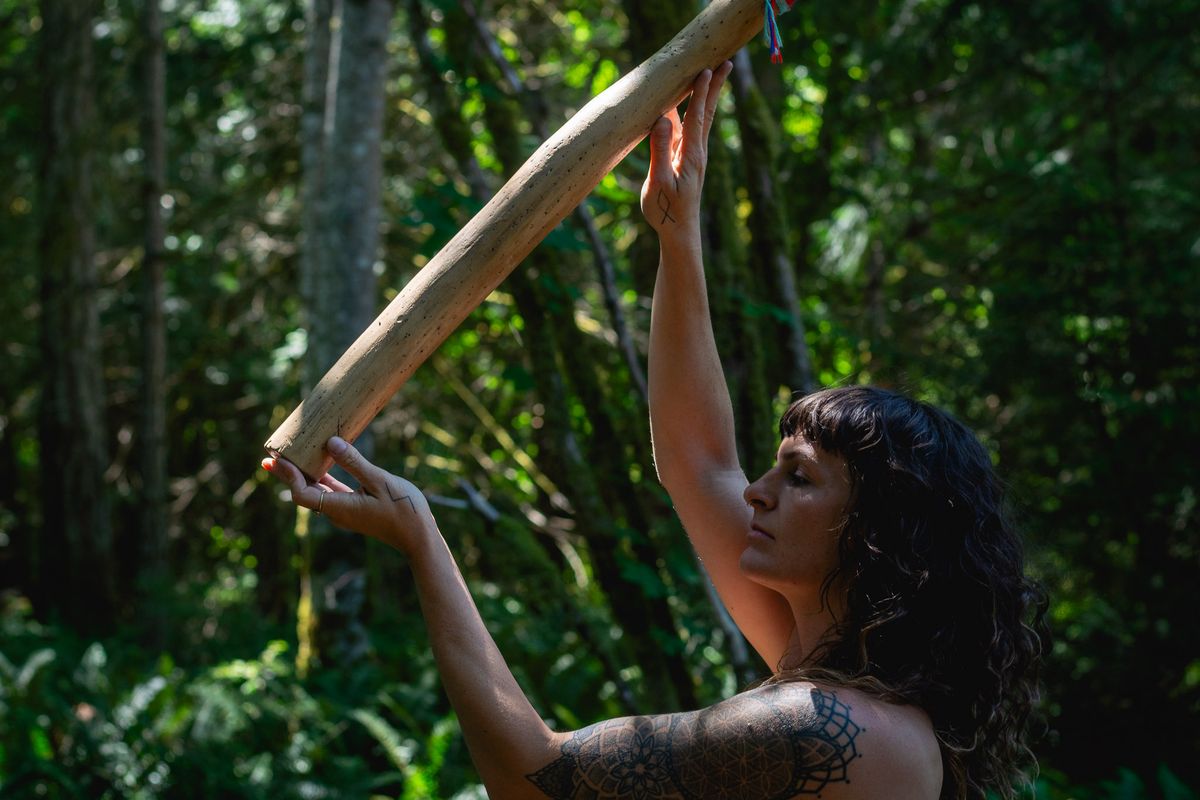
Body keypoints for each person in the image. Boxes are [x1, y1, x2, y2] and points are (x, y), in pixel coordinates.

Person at [263, 63, 1045, 800]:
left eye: (799, 477)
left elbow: (535, 780)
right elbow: (699, 462)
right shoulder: (847, 688)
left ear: (879, 530)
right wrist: (678, 235)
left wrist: (421, 539)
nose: (759, 493)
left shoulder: (822, 726)